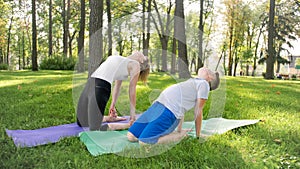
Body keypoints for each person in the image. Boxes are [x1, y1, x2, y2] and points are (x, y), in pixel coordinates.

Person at [127, 67, 220, 144]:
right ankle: (177, 133)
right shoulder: (192, 83)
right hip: (157, 106)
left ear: (210, 78)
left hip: (169, 112)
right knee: (131, 136)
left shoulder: (204, 84)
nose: (206, 69)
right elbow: (182, 104)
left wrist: (198, 135)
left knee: (144, 142)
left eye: (209, 71)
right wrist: (179, 129)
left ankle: (180, 136)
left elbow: (198, 111)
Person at [76, 51, 150, 131]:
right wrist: (113, 105)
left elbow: (132, 89)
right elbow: (116, 87)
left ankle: (129, 125)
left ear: (141, 63)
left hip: (101, 87)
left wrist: (132, 114)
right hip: (90, 83)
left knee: (94, 129)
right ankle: (108, 119)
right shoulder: (123, 61)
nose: (139, 54)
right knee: (81, 122)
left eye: (143, 57)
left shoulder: (136, 65)